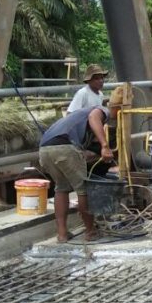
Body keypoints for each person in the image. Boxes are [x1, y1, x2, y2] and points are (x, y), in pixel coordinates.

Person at [38, 106, 112, 247]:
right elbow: (94, 118)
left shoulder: (76, 116)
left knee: (61, 188)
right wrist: (105, 145)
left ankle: (62, 234)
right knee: (83, 188)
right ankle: (90, 232)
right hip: (65, 146)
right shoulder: (101, 110)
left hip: (44, 148)